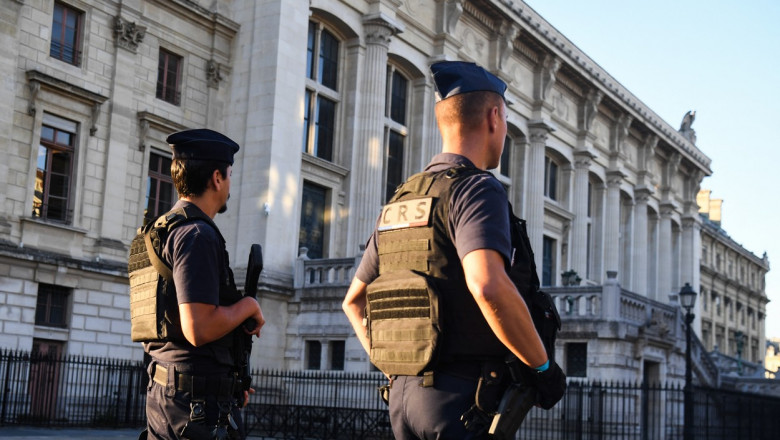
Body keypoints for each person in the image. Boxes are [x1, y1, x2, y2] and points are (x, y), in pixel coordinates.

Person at [342, 61, 565, 439]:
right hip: (462, 403)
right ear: (494, 117)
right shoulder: (476, 188)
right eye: (506, 119)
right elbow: (488, 285)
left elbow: (353, 301)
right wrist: (543, 369)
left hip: (403, 399)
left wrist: (395, 365)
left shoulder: (402, 199)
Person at [131, 129, 265, 440]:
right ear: (217, 178)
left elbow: (166, 330)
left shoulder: (157, 233)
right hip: (195, 409)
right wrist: (249, 305)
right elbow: (198, 327)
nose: (230, 184)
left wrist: (228, 384)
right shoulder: (196, 235)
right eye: (229, 175)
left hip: (170, 398)